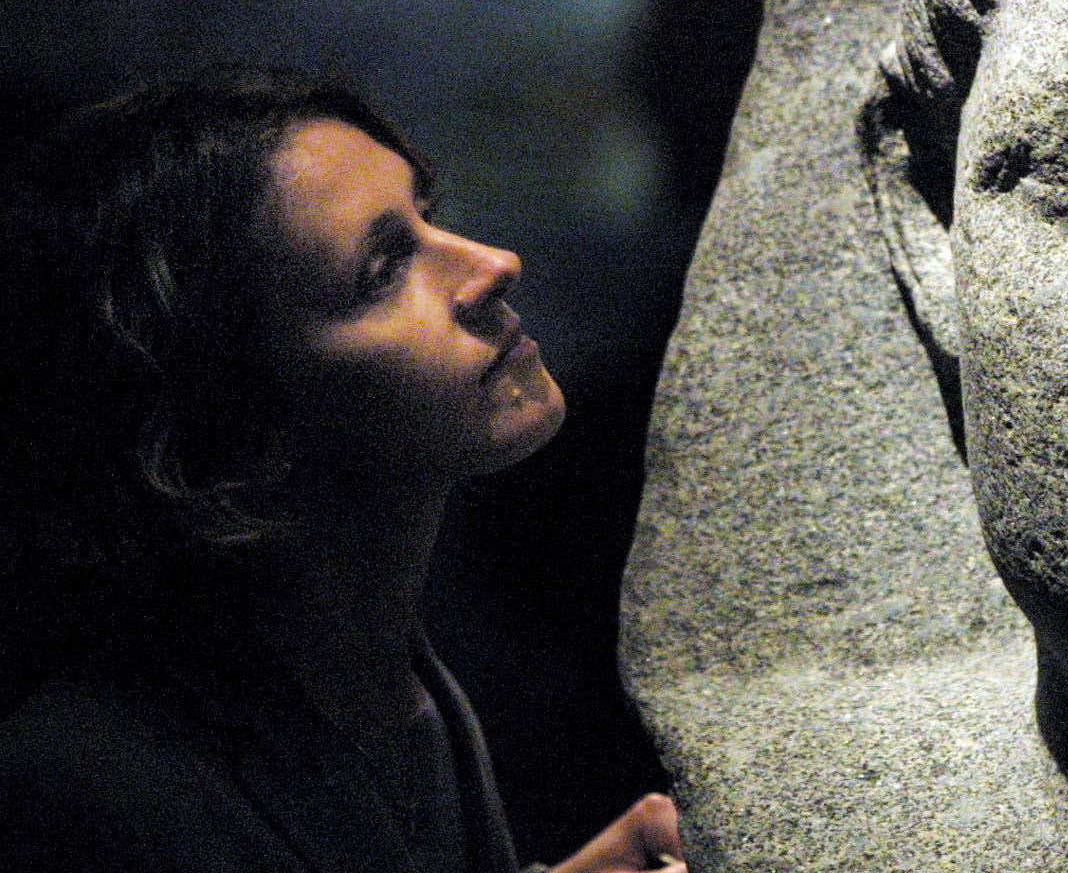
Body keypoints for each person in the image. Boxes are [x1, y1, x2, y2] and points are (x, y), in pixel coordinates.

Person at [0, 65, 688, 872]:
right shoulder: (87, 799)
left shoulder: (372, 668)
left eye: (429, 217)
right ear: (230, 416)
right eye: (382, 271)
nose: (495, 263)